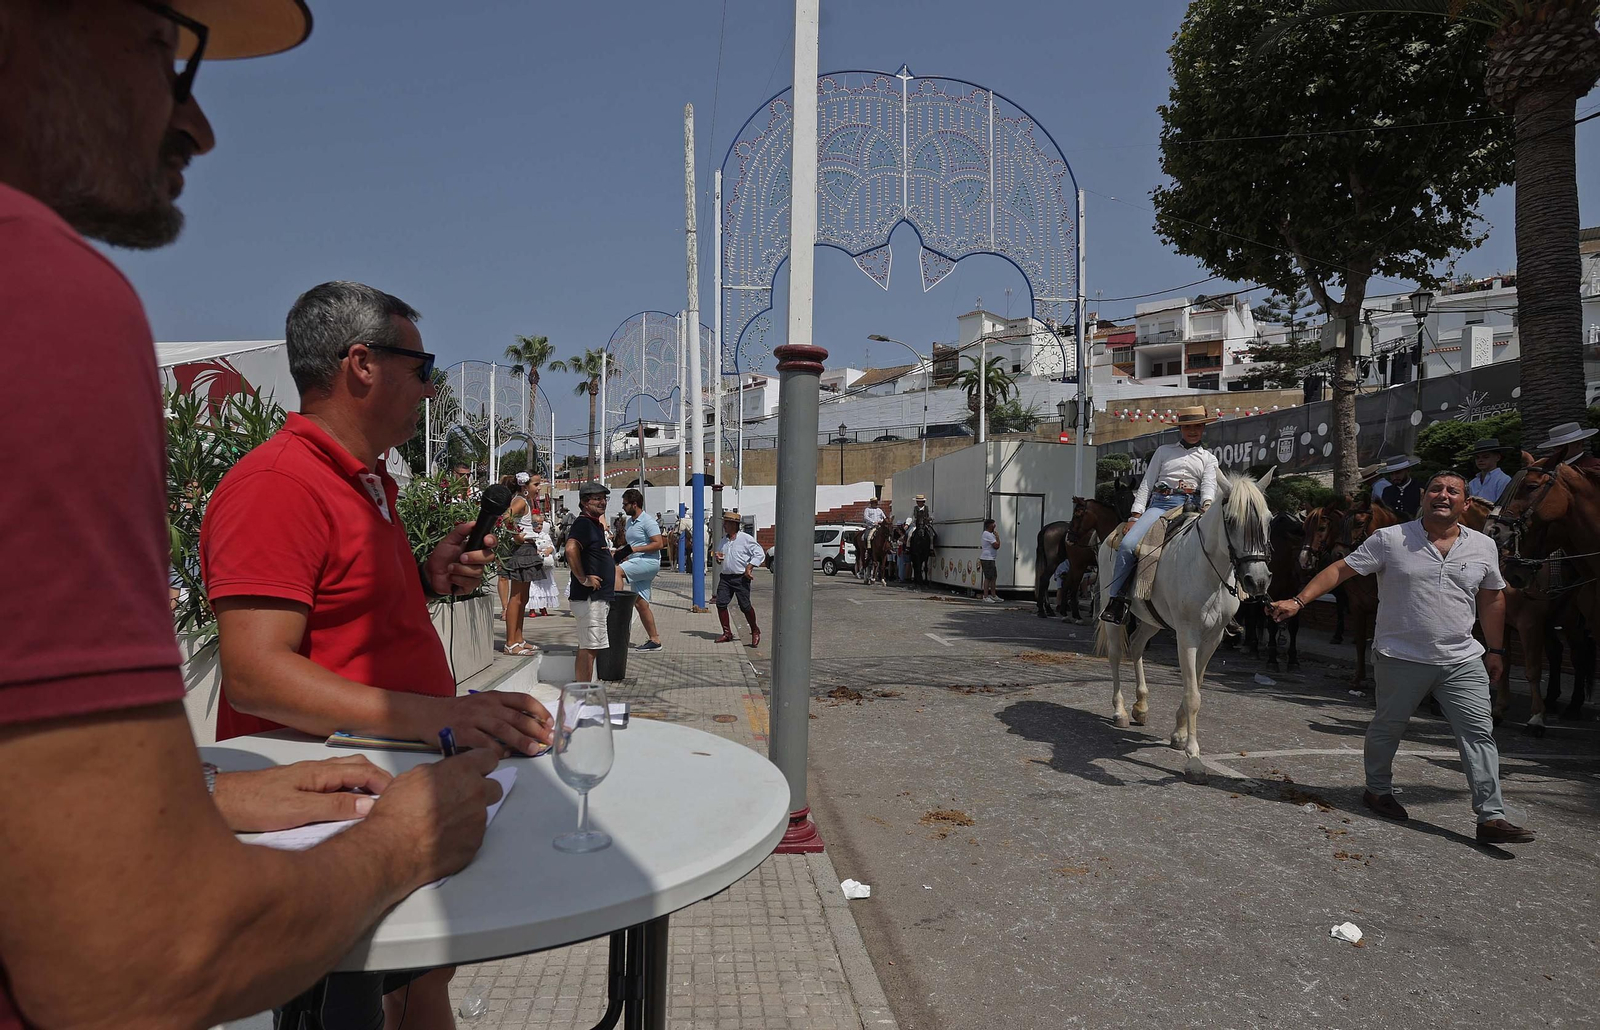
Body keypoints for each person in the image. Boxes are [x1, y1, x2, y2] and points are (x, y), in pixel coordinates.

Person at [0, 5, 508, 1029]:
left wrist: (210, 798)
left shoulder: (367, 483)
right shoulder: (45, 301)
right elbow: (139, 961)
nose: (199, 126)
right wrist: (408, 819)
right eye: (162, 47)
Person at [201, 282, 556, 1026]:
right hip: (330, 818)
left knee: (423, 984)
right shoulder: (276, 484)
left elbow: (345, 617)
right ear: (361, 365)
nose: (431, 389)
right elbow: (256, 672)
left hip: (393, 787)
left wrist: (426, 576)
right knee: (353, 1005)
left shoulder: (368, 484)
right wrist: (437, 716)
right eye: (421, 367)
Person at [1268, 473, 1533, 845]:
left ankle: (1491, 815)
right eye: (1436, 489)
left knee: (1478, 734)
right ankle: (1377, 789)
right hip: (1401, 656)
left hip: (1462, 658)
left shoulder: (1484, 546)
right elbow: (1341, 570)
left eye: (1453, 491)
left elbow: (1492, 599)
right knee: (1388, 726)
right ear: (1423, 497)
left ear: (1466, 504)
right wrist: (1298, 601)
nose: (1443, 495)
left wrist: (1496, 649)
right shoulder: (1390, 539)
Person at [1102, 406, 1220, 623]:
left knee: (1219, 545)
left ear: (1203, 428)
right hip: (1161, 505)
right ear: (1180, 429)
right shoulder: (1164, 451)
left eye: (1196, 426)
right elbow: (1147, 483)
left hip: (1192, 507)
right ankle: (1117, 600)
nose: (1192, 431)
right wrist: (1135, 515)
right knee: (1128, 545)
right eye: (1187, 427)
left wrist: (1207, 504)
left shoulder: (1209, 458)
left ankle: (1224, 605)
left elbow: (1210, 484)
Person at [567, 482, 617, 681]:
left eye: (604, 498)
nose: (602, 502)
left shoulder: (594, 524)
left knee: (590, 647)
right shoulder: (584, 524)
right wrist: (583, 578)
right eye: (597, 498)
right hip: (590, 599)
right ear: (584, 503)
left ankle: (584, 691)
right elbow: (571, 549)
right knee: (589, 648)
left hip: (597, 598)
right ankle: (583, 694)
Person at [615, 488, 666, 651]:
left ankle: (616, 608)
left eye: (625, 504)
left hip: (648, 561)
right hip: (637, 561)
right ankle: (655, 640)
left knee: (616, 571)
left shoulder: (648, 521)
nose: (623, 507)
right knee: (641, 604)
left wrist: (635, 551)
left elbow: (659, 544)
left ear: (634, 504)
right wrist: (623, 552)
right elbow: (633, 544)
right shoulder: (629, 522)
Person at [501, 472, 542, 655]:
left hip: (527, 550)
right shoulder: (520, 500)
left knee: (523, 599)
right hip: (520, 551)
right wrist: (516, 536)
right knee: (516, 598)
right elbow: (505, 518)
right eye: (536, 484)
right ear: (525, 487)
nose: (539, 488)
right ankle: (510, 643)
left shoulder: (526, 501)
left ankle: (519, 639)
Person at [713, 510, 764, 646]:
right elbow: (720, 556)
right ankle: (727, 633)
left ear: (734, 525)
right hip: (726, 578)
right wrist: (719, 558)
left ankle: (755, 630)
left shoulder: (745, 539)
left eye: (727, 523)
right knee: (721, 604)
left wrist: (750, 566)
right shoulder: (723, 541)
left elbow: (759, 554)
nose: (724, 525)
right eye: (724, 522)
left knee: (745, 606)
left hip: (741, 577)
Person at [524, 512, 562, 618]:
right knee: (534, 586)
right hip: (534, 564)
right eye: (537, 524)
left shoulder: (545, 535)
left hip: (545, 565)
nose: (539, 526)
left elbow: (551, 546)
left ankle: (543, 607)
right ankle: (532, 608)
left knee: (545, 586)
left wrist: (548, 550)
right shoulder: (530, 535)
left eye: (541, 524)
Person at [1466, 438, 1513, 503]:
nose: (1480, 460)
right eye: (1477, 457)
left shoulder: (1504, 480)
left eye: (1485, 457)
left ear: (1497, 457)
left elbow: (1502, 507)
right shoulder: (1472, 483)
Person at [979, 517, 1002, 603]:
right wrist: (998, 537)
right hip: (987, 559)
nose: (995, 526)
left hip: (991, 558)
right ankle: (985, 596)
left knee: (994, 577)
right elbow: (996, 546)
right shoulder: (987, 534)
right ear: (990, 525)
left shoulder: (990, 534)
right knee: (988, 577)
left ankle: (993, 595)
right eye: (994, 524)